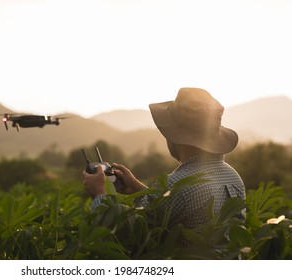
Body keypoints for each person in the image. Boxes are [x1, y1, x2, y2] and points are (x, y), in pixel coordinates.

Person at [82, 87, 246, 233]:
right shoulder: (233, 176)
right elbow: (166, 209)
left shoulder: (178, 185)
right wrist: (138, 188)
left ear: (174, 137)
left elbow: (130, 233)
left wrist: (100, 194)